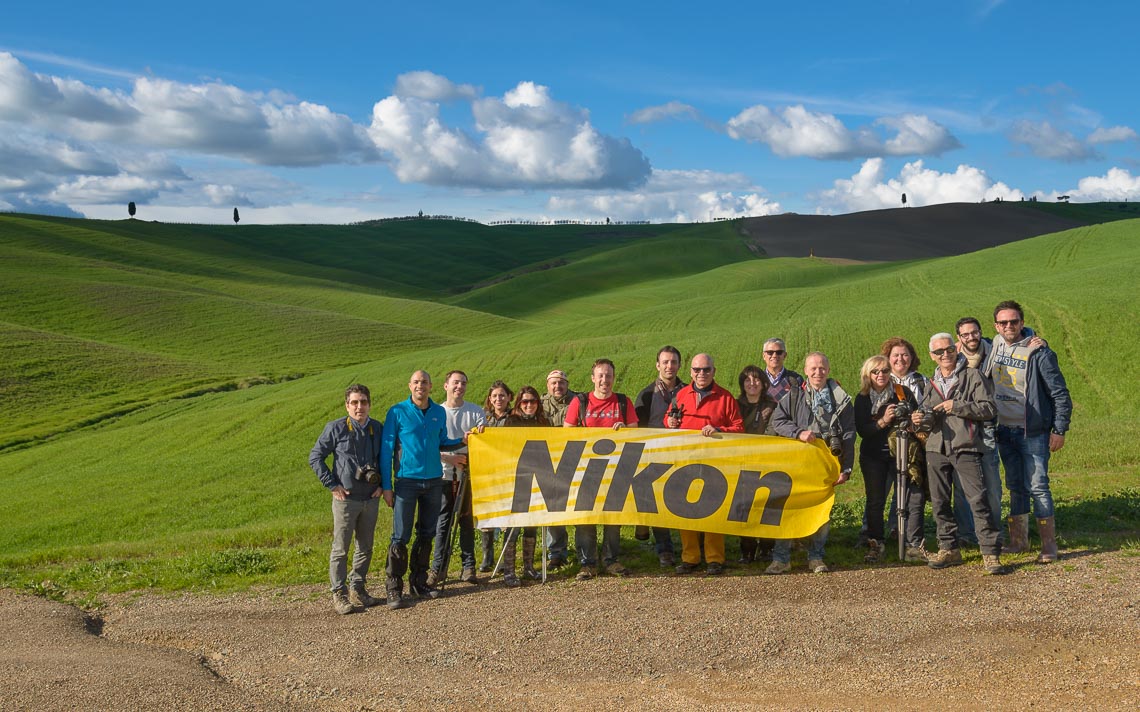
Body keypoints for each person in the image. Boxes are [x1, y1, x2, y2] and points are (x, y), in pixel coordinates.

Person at [984, 300, 1072, 563]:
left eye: (1013, 321)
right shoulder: (995, 346)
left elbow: (1060, 395)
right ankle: (1018, 541)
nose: (1008, 326)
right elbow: (974, 349)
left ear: (1022, 323)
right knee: (1015, 486)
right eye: (1003, 322)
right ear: (996, 326)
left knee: (1038, 486)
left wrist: (1059, 429)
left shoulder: (1040, 353)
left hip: (1032, 432)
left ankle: (1049, 546)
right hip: (1004, 430)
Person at [912, 334, 1006, 574]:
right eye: (939, 352)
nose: (945, 355)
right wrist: (918, 419)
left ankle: (990, 552)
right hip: (936, 448)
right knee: (940, 502)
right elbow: (925, 414)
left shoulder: (972, 376)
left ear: (956, 348)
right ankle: (949, 548)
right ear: (932, 356)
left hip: (966, 445)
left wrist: (958, 406)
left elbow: (989, 408)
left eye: (948, 350)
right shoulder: (929, 382)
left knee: (978, 500)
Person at [380, 370, 465, 609]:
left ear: (431, 386)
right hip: (407, 481)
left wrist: (464, 440)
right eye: (416, 382)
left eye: (425, 382)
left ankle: (419, 582)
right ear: (410, 386)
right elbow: (386, 451)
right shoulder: (397, 412)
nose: (421, 386)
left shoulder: (438, 412)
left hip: (434, 481)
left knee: (427, 533)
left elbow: (443, 442)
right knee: (401, 536)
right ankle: (394, 588)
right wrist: (387, 486)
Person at [767, 352, 854, 574]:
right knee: (788, 508)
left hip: (826, 465)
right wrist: (797, 433)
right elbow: (777, 421)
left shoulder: (841, 398)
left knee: (821, 513)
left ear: (828, 369)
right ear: (805, 371)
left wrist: (846, 468)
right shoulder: (794, 395)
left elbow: (849, 435)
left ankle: (816, 557)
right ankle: (781, 559)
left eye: (822, 368)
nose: (818, 372)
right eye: (813, 368)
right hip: (797, 463)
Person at [308, 384, 385, 614]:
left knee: (366, 547)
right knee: (341, 549)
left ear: (369, 404)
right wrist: (332, 485)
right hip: (346, 500)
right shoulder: (336, 428)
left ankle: (358, 587)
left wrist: (381, 485)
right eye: (354, 402)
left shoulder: (377, 428)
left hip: (370, 498)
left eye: (363, 402)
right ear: (347, 405)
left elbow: (385, 457)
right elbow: (315, 457)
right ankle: (339, 593)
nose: (359, 406)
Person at [666, 353, 744, 575]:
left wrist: (720, 430)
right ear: (690, 372)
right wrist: (669, 422)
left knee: (712, 509)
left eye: (706, 370)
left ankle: (714, 558)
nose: (702, 374)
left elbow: (739, 427)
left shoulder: (725, 398)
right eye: (697, 370)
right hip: (685, 461)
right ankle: (690, 557)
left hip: (715, 463)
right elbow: (669, 420)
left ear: (714, 372)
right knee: (684, 509)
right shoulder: (680, 395)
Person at [563, 358, 638, 580]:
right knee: (586, 517)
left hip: (617, 470)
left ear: (614, 378)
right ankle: (587, 563)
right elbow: (567, 433)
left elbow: (636, 432)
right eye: (601, 375)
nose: (605, 379)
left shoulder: (623, 402)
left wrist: (624, 429)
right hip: (585, 470)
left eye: (609, 375)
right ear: (593, 378)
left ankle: (611, 560)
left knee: (613, 518)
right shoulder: (580, 402)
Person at [853, 355, 924, 564]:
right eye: (875, 372)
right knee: (876, 500)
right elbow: (862, 431)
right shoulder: (862, 398)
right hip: (873, 456)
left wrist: (912, 420)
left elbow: (915, 418)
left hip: (902, 453)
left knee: (911, 498)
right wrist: (883, 421)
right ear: (868, 375)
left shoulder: (902, 393)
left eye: (885, 371)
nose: (881, 375)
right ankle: (876, 542)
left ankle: (912, 543)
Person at [862, 337, 931, 546]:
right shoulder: (875, 386)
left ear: (912, 357)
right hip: (879, 449)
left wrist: (917, 420)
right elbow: (863, 424)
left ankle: (896, 530)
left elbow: (925, 408)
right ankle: (869, 534)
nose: (901, 359)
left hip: (908, 445)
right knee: (878, 494)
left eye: (905, 355)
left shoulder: (920, 381)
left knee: (904, 491)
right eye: (896, 356)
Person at [428, 370, 485, 588]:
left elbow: (482, 440)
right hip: (443, 474)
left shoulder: (476, 412)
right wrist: (450, 459)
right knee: (443, 522)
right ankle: (438, 568)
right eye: (455, 383)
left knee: (467, 521)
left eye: (462, 383)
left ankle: (468, 566)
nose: (459, 387)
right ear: (445, 386)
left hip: (469, 475)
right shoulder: (437, 413)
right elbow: (429, 446)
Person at [633, 346, 684, 567]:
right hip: (654, 454)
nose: (669, 366)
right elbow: (637, 428)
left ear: (679, 365)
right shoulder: (646, 395)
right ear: (657, 365)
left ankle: (692, 547)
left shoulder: (688, 391)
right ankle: (665, 550)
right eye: (665, 362)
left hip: (684, 454)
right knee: (658, 503)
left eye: (673, 362)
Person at [498, 385, 549, 586]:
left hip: (538, 479)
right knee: (513, 527)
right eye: (525, 401)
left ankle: (528, 566)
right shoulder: (511, 422)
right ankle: (509, 570)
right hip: (516, 479)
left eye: (533, 401)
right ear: (519, 403)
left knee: (532, 524)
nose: (529, 405)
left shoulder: (543, 422)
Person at [736, 364, 778, 563]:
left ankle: (767, 548)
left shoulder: (773, 405)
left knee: (767, 505)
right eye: (747, 380)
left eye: (756, 380)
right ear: (742, 384)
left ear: (763, 383)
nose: (752, 384)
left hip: (767, 460)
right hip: (742, 462)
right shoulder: (735, 405)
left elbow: (774, 430)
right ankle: (747, 548)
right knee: (744, 507)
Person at [476, 380, 515, 572]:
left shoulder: (516, 418)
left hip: (509, 473)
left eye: (502, 395)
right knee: (487, 515)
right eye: (494, 396)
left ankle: (504, 557)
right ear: (490, 400)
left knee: (507, 516)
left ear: (509, 397)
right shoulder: (483, 418)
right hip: (488, 474)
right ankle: (487, 557)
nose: (498, 399)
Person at [540, 369, 574, 568]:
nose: (557, 386)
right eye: (553, 383)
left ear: (567, 384)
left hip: (572, 460)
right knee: (552, 508)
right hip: (547, 463)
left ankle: (585, 551)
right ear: (547, 385)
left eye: (561, 383)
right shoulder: (539, 404)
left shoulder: (578, 402)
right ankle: (556, 553)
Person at [761, 338, 803, 404]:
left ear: (784, 355)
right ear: (764, 356)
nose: (774, 355)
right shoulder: (757, 381)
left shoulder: (796, 380)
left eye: (779, 352)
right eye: (770, 352)